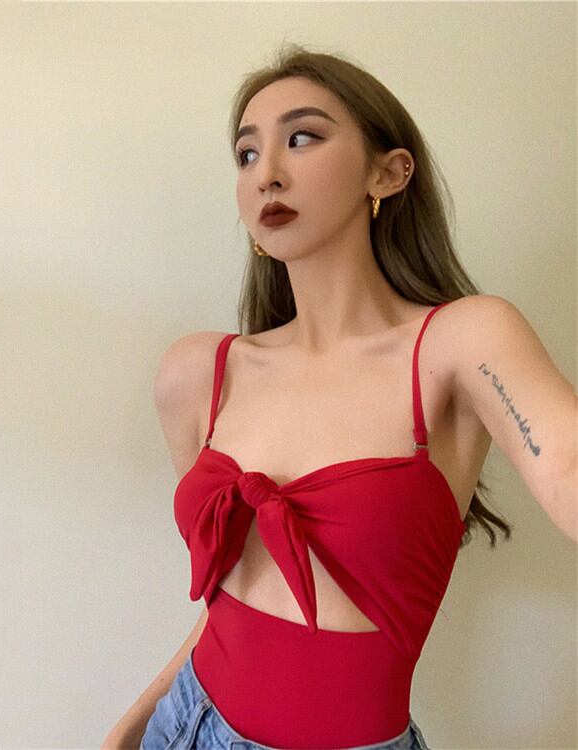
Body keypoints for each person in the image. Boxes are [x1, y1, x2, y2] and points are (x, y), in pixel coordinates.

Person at [101, 43, 577, 750]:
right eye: (246, 154)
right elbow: (226, 596)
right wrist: (131, 726)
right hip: (187, 725)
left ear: (388, 172)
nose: (267, 172)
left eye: (302, 138)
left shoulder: (459, 344)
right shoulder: (198, 373)